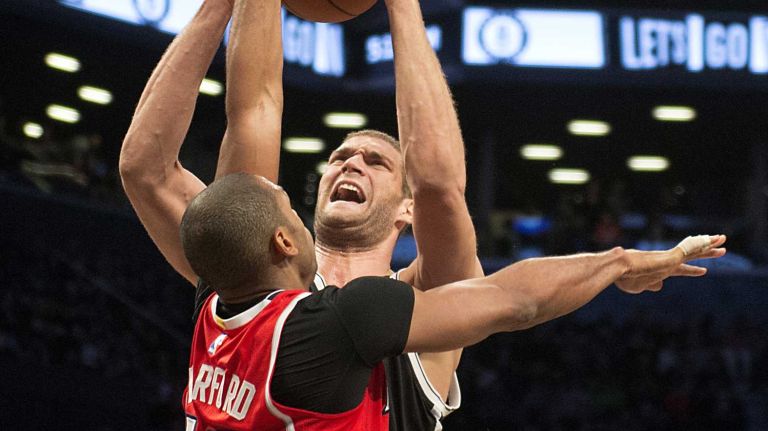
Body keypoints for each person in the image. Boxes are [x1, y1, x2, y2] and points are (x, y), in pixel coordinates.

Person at [120, 0, 479, 427]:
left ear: (409, 207)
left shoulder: (427, 299)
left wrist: (402, 6)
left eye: (376, 162)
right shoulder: (257, 257)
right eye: (340, 157)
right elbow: (253, 113)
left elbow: (439, 186)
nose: (351, 163)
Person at [180, 172, 726, 430]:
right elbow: (516, 300)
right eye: (293, 216)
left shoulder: (212, 308)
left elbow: (217, 204)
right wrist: (622, 262)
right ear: (283, 242)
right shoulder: (336, 322)